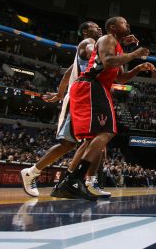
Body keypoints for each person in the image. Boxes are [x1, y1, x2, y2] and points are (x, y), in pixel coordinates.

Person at [57, 16, 155, 200]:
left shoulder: (116, 45)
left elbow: (121, 79)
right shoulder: (106, 39)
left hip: (95, 87)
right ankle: (75, 179)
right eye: (123, 22)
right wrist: (135, 54)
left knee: (97, 137)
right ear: (112, 27)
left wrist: (138, 68)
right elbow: (108, 62)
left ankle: (70, 181)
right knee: (106, 132)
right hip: (91, 84)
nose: (128, 24)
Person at [20, 21, 104, 198]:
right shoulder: (88, 43)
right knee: (70, 143)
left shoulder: (84, 56)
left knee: (92, 142)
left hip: (83, 98)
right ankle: (33, 172)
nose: (99, 28)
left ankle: (75, 182)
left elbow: (67, 74)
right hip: (77, 98)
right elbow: (91, 51)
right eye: (95, 26)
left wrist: (59, 94)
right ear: (86, 31)